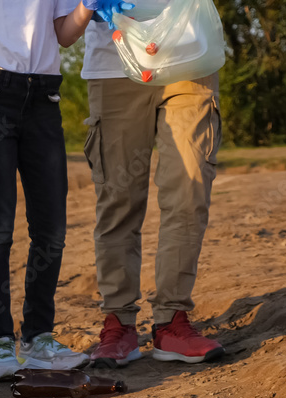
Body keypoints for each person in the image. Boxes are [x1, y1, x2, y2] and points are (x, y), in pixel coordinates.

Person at [0, 0, 126, 381]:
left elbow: (64, 35)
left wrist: (87, 7)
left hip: (44, 97)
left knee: (52, 230)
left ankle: (39, 338)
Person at [81, 3, 226, 367]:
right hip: (114, 61)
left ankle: (172, 321)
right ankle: (119, 323)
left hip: (190, 55)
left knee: (188, 192)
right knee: (118, 199)